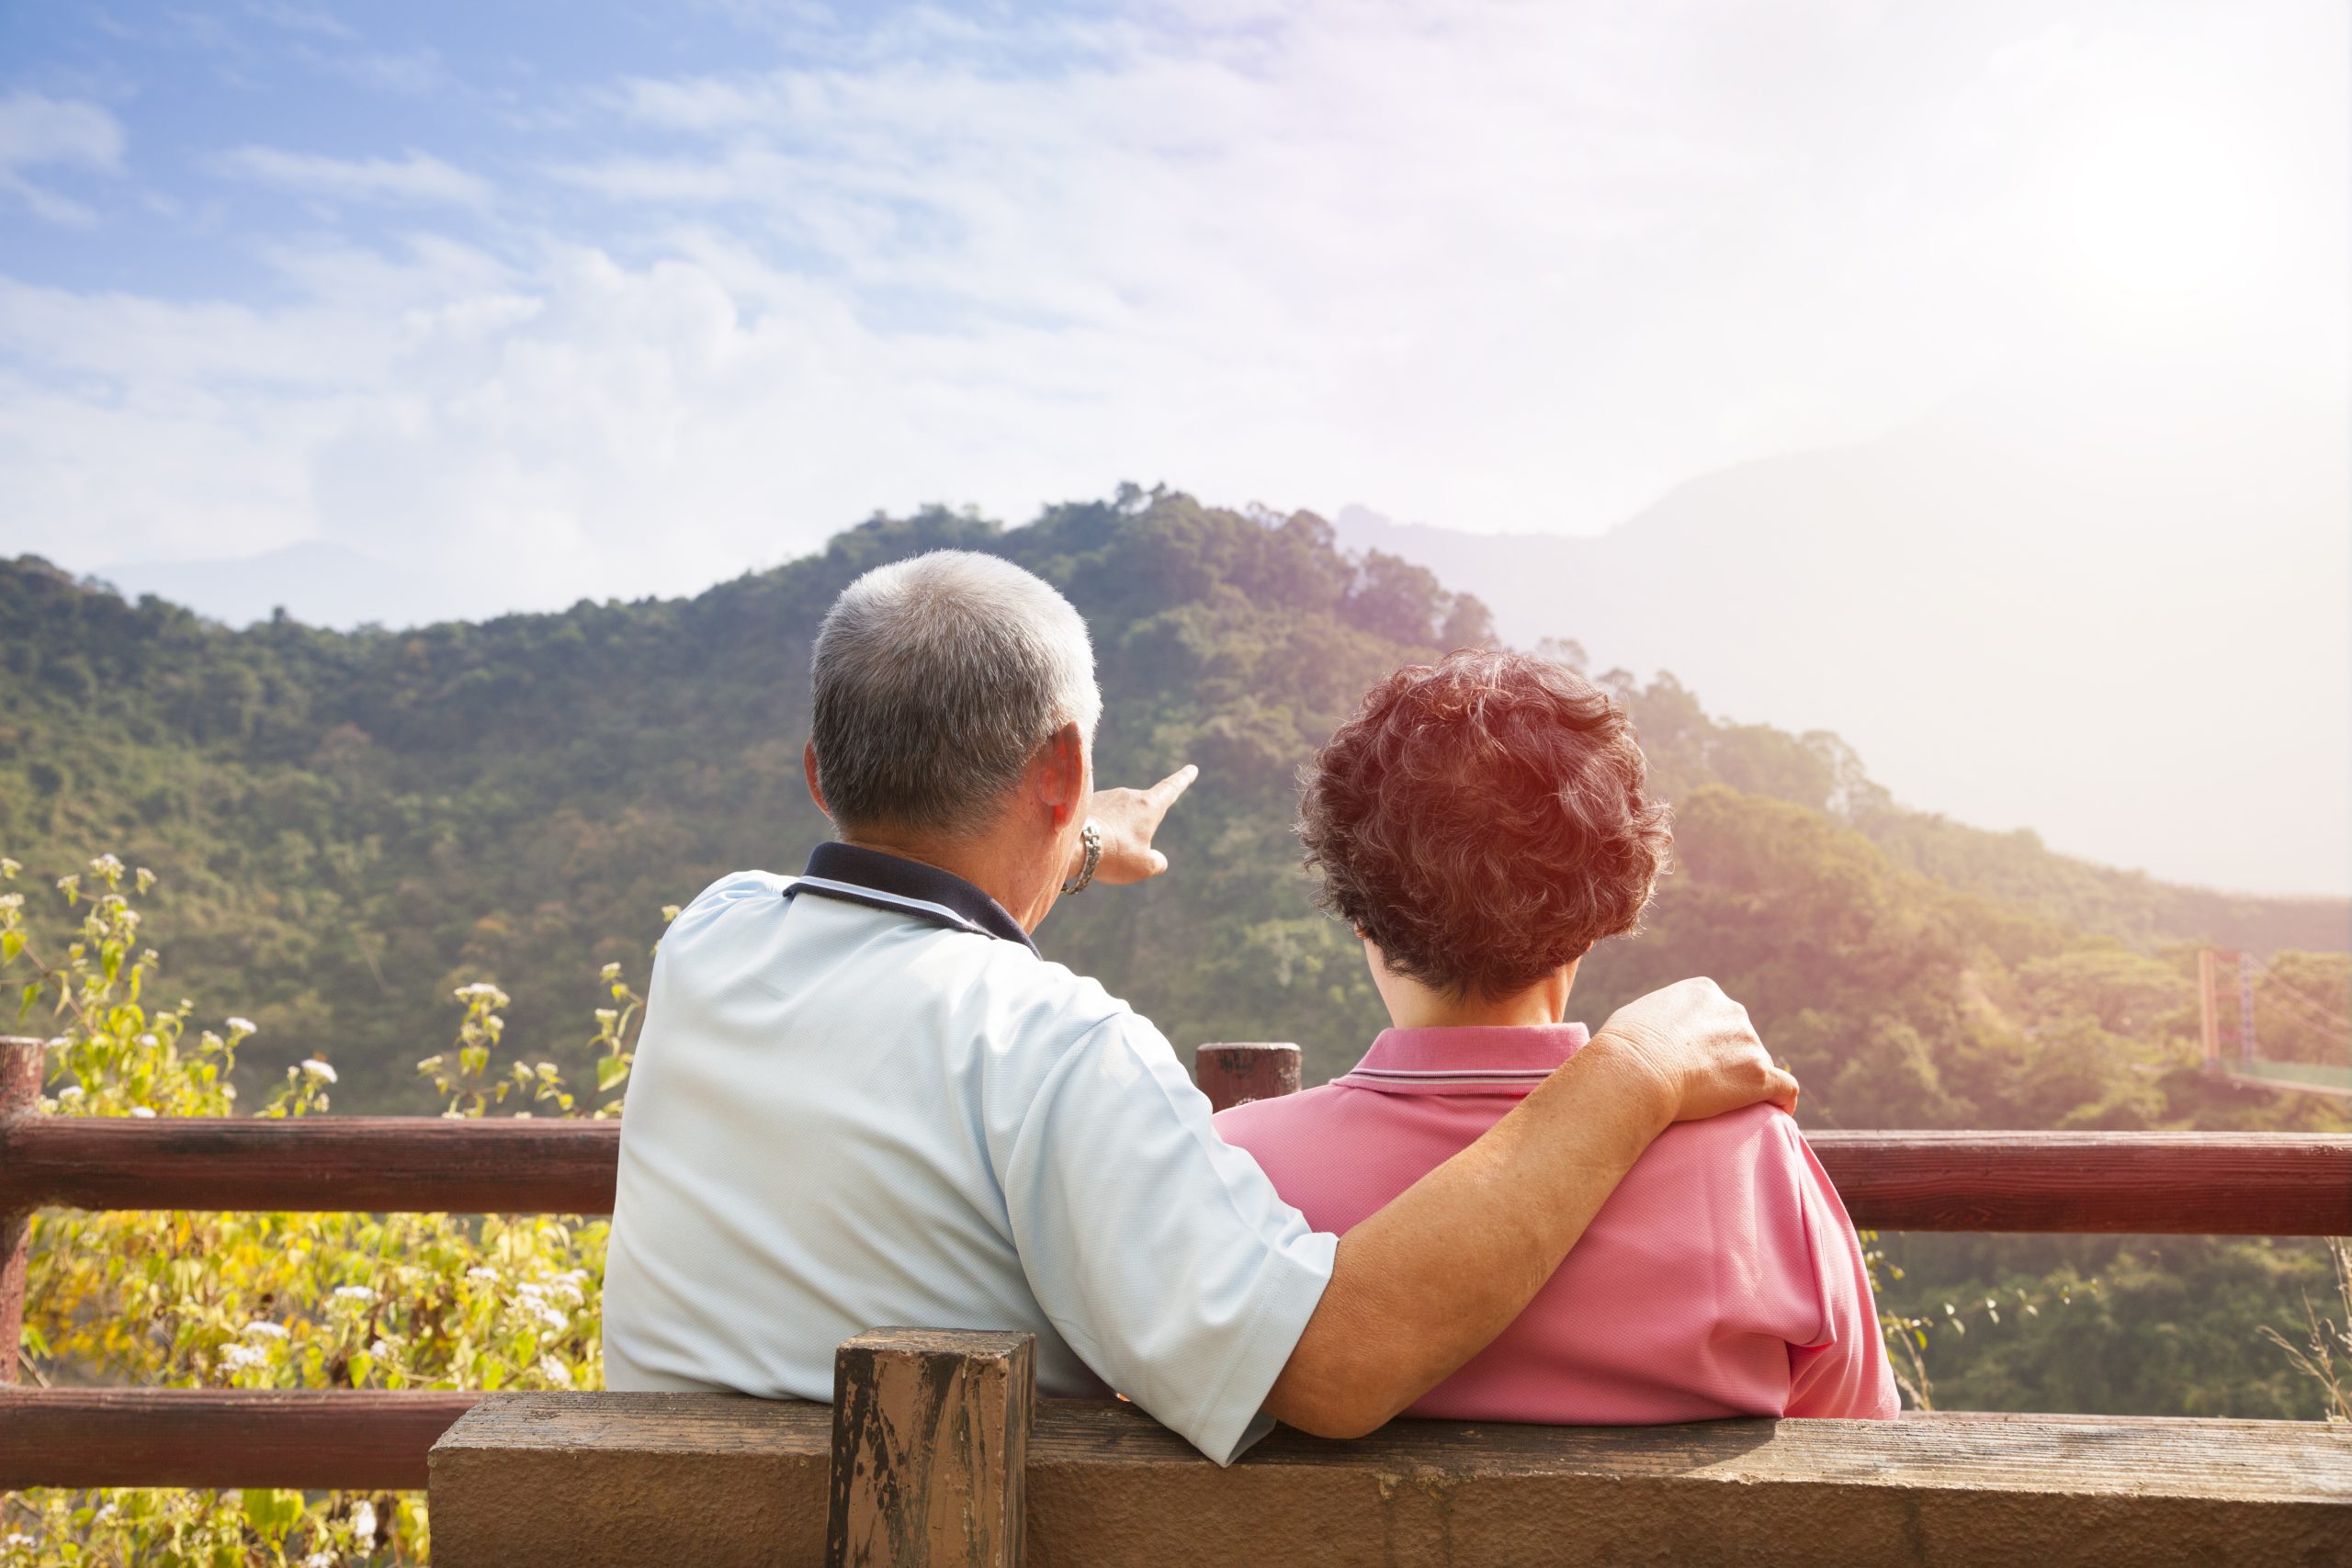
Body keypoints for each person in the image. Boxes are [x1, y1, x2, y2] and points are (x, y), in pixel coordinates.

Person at [601, 551, 1801, 1465]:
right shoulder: (1057, 1050)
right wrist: (1633, 1068)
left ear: (818, 769)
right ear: (1063, 770)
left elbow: (904, 905)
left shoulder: (709, 935)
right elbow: (1331, 1366)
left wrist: (1066, 841)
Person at [1216, 649, 1898, 1423]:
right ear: (1603, 907)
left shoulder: (1230, 1170)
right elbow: (1857, 1443)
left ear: (1358, 911)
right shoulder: (1755, 1169)